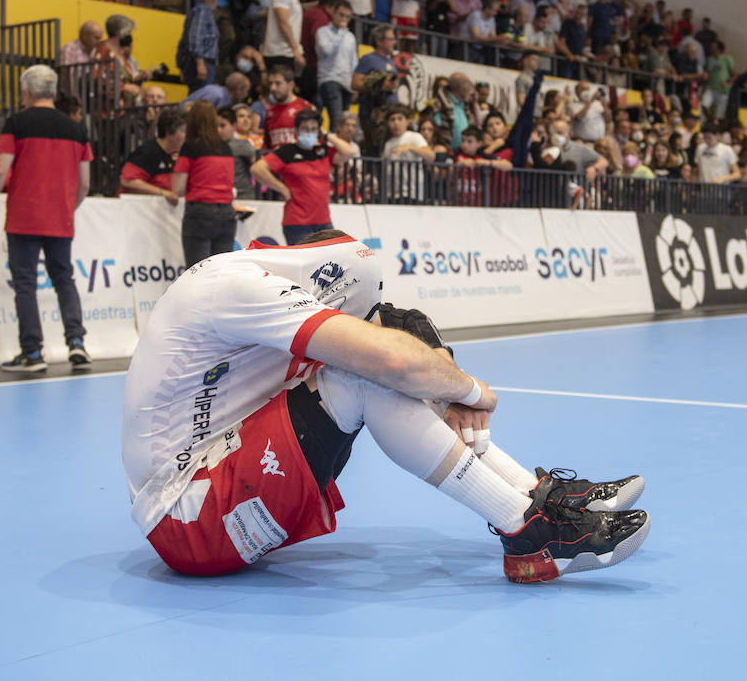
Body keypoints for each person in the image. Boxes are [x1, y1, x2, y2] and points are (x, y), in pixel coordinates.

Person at [121, 229, 650, 582]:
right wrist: (473, 392)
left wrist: (443, 376)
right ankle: (528, 531)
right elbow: (393, 360)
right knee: (366, 372)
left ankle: (534, 495)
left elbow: (400, 323)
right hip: (185, 515)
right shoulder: (237, 289)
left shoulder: (271, 281)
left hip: (216, 484)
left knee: (388, 361)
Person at [0, 65, 93, 372]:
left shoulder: (17, 122)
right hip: (60, 218)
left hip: (24, 216)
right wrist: (68, 207)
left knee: (25, 284)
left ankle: (32, 352)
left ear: (26, 92)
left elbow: (0, 170)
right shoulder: (77, 129)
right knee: (63, 280)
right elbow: (85, 183)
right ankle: (77, 343)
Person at [251, 109, 356, 244]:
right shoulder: (287, 151)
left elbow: (349, 152)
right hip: (297, 223)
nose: (309, 132)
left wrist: (326, 135)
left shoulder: (322, 151)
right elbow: (257, 169)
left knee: (328, 263)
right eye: (305, 128)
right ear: (296, 130)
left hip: (324, 222)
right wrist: (281, 188)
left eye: (313, 129)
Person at [172, 101, 238, 267]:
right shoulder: (226, 149)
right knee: (220, 272)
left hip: (200, 213)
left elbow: (177, 189)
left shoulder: (190, 147)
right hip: (227, 213)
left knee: (197, 272)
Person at [120, 107, 185, 201]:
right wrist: (163, 193)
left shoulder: (176, 155)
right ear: (169, 132)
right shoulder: (147, 152)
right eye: (184, 131)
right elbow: (127, 181)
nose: (188, 136)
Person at [315, 1, 357, 131]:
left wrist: (354, 85)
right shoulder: (323, 32)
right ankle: (333, 149)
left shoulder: (350, 36)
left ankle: (340, 147)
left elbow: (353, 61)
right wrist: (340, 32)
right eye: (341, 15)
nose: (343, 19)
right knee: (336, 118)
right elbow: (326, 51)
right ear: (333, 13)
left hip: (347, 83)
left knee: (344, 121)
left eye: (347, 17)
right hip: (329, 79)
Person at [380, 104, 434, 203]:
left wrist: (410, 148)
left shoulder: (414, 137)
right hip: (391, 193)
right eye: (392, 119)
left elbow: (430, 155)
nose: (396, 122)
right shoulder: (388, 143)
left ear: (407, 122)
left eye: (400, 119)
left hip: (411, 193)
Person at [177, 0, 220, 91]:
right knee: (200, 100)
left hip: (197, 63)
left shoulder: (198, 11)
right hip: (202, 64)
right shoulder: (203, 10)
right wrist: (200, 64)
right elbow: (195, 36)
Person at [263, 64, 314, 149]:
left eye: (278, 83)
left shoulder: (306, 108)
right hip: (276, 161)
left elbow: (318, 142)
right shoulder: (270, 112)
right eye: (270, 83)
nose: (272, 88)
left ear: (290, 85)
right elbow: (267, 145)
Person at [218, 106, 257, 199]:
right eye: (215, 126)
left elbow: (259, 164)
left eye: (223, 125)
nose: (218, 130)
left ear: (234, 126)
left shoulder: (243, 145)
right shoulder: (210, 146)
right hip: (222, 197)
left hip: (244, 196)